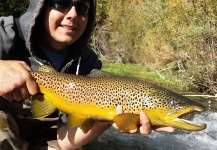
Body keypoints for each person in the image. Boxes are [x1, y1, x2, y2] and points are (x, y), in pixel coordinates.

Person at [0, 0, 174, 149]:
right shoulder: (5, 33)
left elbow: (65, 142)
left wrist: (108, 116)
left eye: (82, 7)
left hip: (45, 138)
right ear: (41, 6)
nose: (73, 14)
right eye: (62, 3)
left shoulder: (89, 65)